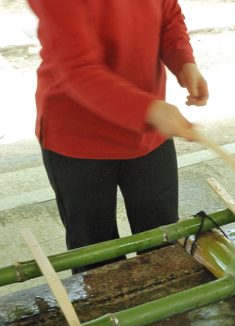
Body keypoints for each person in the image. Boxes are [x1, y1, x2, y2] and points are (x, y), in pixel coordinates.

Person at [27, 0, 209, 273]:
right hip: (78, 137)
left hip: (148, 131)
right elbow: (77, 67)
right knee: (96, 253)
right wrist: (147, 109)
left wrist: (183, 61)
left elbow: (168, 16)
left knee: (163, 239)